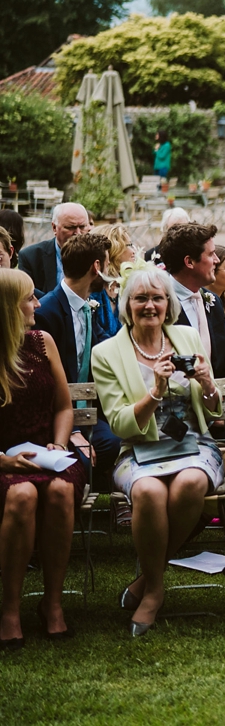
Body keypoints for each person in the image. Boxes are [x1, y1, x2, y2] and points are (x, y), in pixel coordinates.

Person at [90, 264, 224, 636]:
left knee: (190, 484)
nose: (150, 305)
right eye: (141, 298)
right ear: (126, 304)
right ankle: (156, 588)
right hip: (138, 449)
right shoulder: (107, 353)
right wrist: (156, 392)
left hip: (193, 445)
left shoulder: (187, 336)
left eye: (158, 298)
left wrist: (207, 383)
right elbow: (119, 424)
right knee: (147, 491)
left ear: (169, 304)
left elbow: (213, 407)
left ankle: (148, 583)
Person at [0, 269, 83, 648]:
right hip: (3, 461)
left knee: (61, 491)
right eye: (30, 298)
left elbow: (64, 407)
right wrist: (4, 461)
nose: (37, 304)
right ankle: (11, 610)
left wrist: (59, 444)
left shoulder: (42, 342)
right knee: (22, 495)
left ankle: (52, 604)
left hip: (49, 452)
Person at [34, 233, 123, 472]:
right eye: (105, 264)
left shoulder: (87, 306)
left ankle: (112, 503)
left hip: (89, 412)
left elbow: (107, 344)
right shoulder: (47, 313)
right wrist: (72, 430)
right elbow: (43, 382)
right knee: (81, 460)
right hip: (56, 420)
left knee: (117, 443)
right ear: (96, 267)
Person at [160, 223, 225, 380]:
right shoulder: (160, 305)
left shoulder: (213, 301)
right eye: (211, 254)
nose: (216, 260)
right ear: (189, 262)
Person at [19, 202, 90, 294]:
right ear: (54, 228)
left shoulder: (97, 255)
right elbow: (27, 294)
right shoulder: (31, 257)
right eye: (70, 227)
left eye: (82, 227)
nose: (78, 233)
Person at [91, 224, 138, 341]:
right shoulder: (92, 289)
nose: (134, 251)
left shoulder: (129, 284)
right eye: (129, 245)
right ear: (114, 250)